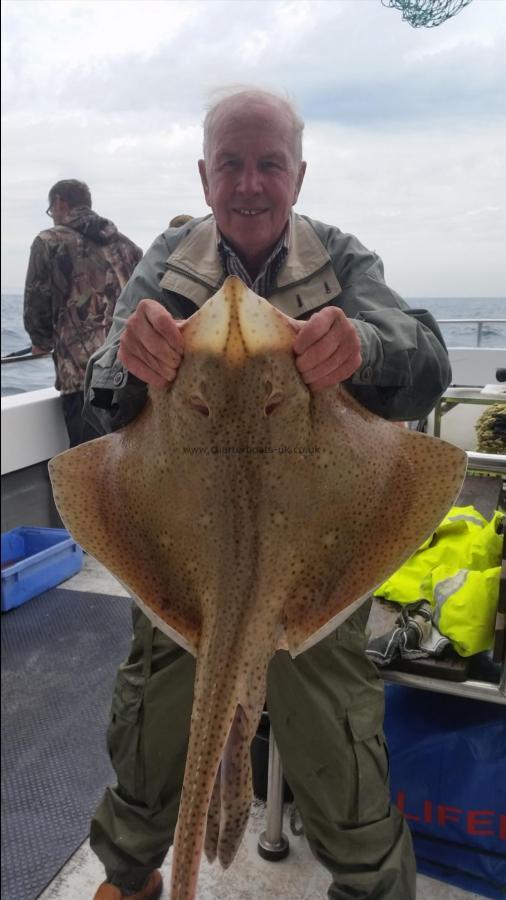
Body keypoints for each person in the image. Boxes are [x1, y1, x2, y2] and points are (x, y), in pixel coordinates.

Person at [84, 88, 452, 900]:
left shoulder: (341, 259)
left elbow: (428, 359)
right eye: (231, 165)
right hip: (188, 553)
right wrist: (128, 364)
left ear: (299, 174)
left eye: (270, 165)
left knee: (337, 737)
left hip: (311, 557)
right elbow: (101, 394)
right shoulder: (167, 259)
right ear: (206, 175)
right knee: (151, 717)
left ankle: (369, 885)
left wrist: (367, 347)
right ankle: (128, 872)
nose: (250, 183)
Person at [23, 179, 142, 447]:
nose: (53, 217)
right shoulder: (128, 247)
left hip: (83, 378)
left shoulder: (48, 242)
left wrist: (40, 342)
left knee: (88, 467)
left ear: (60, 203)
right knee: (127, 460)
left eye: (51, 210)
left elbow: (37, 303)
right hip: (131, 373)